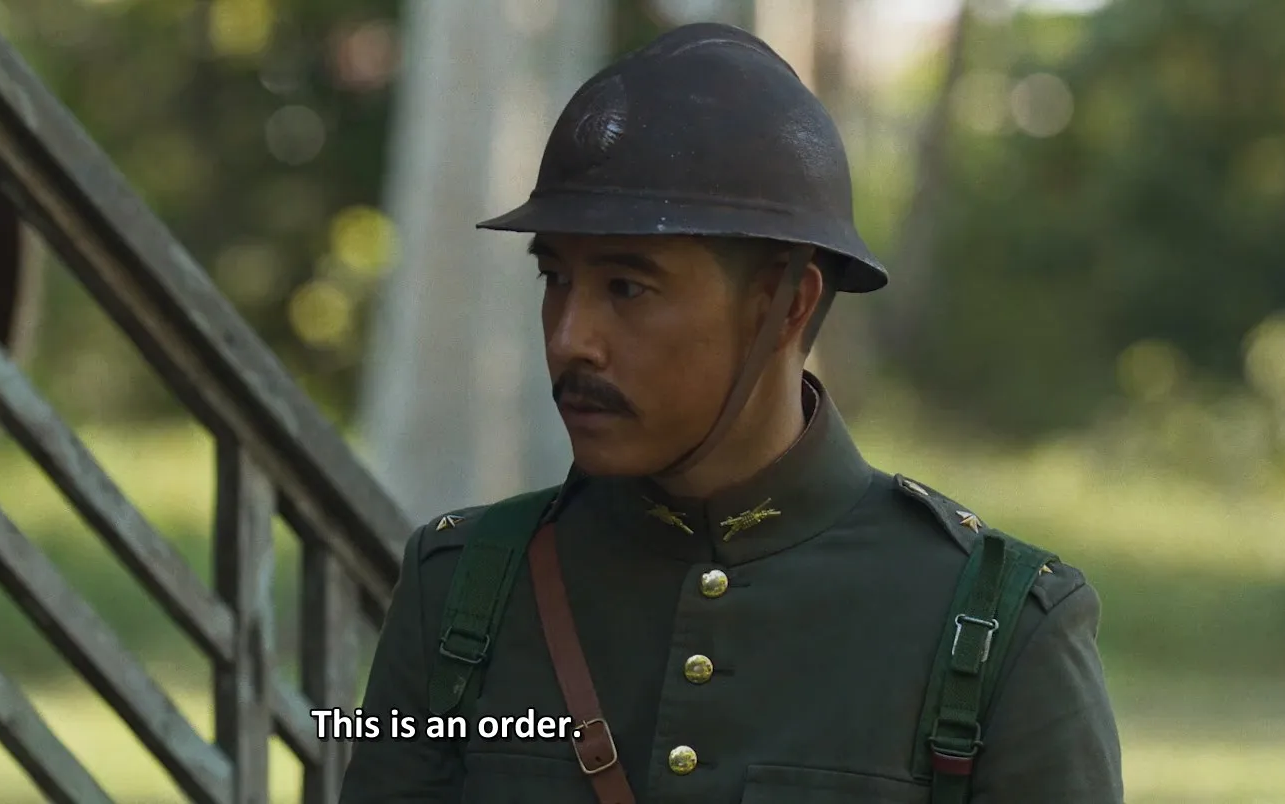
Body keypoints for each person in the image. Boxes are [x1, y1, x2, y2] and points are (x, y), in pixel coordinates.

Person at [339, 22, 1122, 804]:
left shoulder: (1000, 630)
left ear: (786, 303)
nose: (571, 338)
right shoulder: (461, 590)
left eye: (626, 288)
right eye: (555, 278)